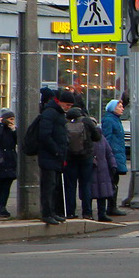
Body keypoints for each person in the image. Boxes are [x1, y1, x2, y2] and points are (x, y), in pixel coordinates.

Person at [37, 90, 72, 225]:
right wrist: (56, 151)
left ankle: (53, 212)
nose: (68, 107)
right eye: (67, 104)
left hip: (56, 157)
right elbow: (45, 135)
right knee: (48, 186)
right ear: (60, 101)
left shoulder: (58, 113)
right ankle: (47, 213)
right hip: (49, 156)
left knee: (55, 186)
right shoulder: (50, 112)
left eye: (70, 105)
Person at [64, 106, 101, 219]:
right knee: (85, 185)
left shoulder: (64, 123)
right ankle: (87, 212)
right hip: (86, 157)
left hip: (70, 158)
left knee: (70, 186)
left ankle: (70, 212)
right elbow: (97, 137)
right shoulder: (86, 121)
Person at [100, 99, 128, 217]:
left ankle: (112, 206)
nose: (122, 108)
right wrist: (109, 154)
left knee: (115, 181)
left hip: (118, 154)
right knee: (111, 180)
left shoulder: (116, 120)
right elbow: (107, 138)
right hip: (113, 155)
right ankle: (111, 207)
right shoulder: (109, 120)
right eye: (120, 106)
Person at [0, 109, 18, 219]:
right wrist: (0, 125)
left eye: (13, 119)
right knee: (0, 184)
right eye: (10, 119)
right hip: (0, 160)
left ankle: (3, 206)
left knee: (7, 185)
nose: (11, 121)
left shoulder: (13, 130)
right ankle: (0, 206)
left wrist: (14, 130)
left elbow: (18, 141)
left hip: (10, 160)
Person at [88, 132, 117, 222]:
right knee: (89, 193)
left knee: (102, 194)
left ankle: (102, 214)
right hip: (90, 170)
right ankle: (88, 213)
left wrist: (113, 165)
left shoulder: (102, 138)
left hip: (103, 170)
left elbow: (109, 153)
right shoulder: (86, 137)